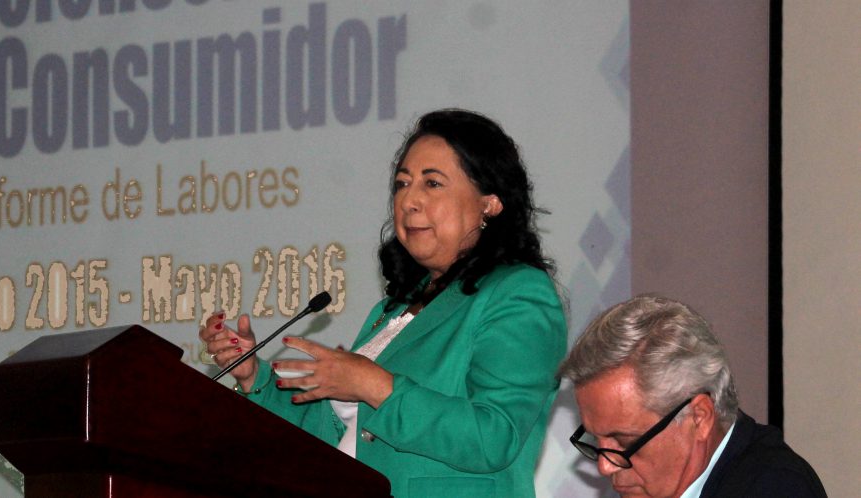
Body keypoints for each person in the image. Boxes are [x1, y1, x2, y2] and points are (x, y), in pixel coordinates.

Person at [199, 109, 567, 497]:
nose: (409, 200)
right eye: (402, 184)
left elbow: (494, 437)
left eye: (432, 183)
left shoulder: (518, 293)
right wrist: (253, 376)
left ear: (489, 203)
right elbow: (337, 432)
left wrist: (377, 386)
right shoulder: (394, 309)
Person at [558, 295, 826, 498]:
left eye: (625, 442)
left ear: (699, 417)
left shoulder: (775, 489)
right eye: (596, 440)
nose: (605, 467)